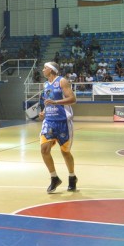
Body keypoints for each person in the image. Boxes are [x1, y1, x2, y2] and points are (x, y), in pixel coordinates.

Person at [39, 62, 78, 192]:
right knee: (44, 149)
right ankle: (54, 177)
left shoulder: (62, 81)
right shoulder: (45, 84)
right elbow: (48, 101)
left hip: (63, 121)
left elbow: (73, 99)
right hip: (49, 121)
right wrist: (44, 112)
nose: (43, 70)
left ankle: (72, 177)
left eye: (45, 68)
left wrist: (55, 102)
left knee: (65, 152)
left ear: (51, 70)